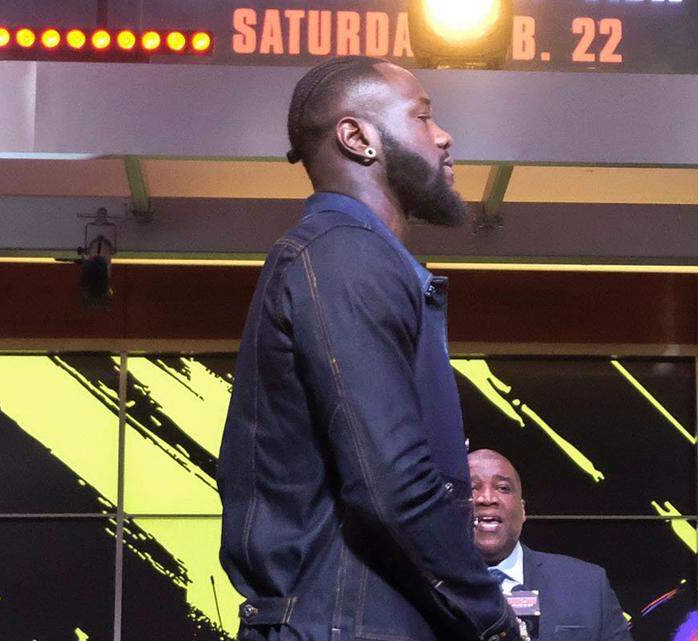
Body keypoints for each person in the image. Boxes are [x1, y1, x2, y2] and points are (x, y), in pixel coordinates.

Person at [217, 56, 522, 641]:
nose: (443, 135)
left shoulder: (357, 258)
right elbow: (392, 483)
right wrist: (492, 620)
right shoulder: (343, 255)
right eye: (423, 116)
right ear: (358, 138)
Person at [468, 449, 633, 641]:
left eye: (503, 488)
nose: (486, 498)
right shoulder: (426, 589)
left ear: (522, 511)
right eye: (472, 488)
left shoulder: (587, 586)